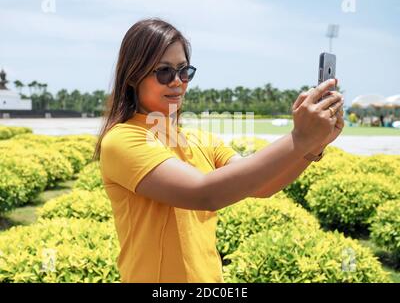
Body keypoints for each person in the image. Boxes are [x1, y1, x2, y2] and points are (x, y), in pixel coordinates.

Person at [94, 18, 344, 283]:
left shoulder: (197, 138)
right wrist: (300, 137)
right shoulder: (123, 140)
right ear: (133, 76)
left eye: (184, 71)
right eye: (164, 72)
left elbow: (262, 186)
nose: (177, 82)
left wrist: (314, 145)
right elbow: (204, 193)